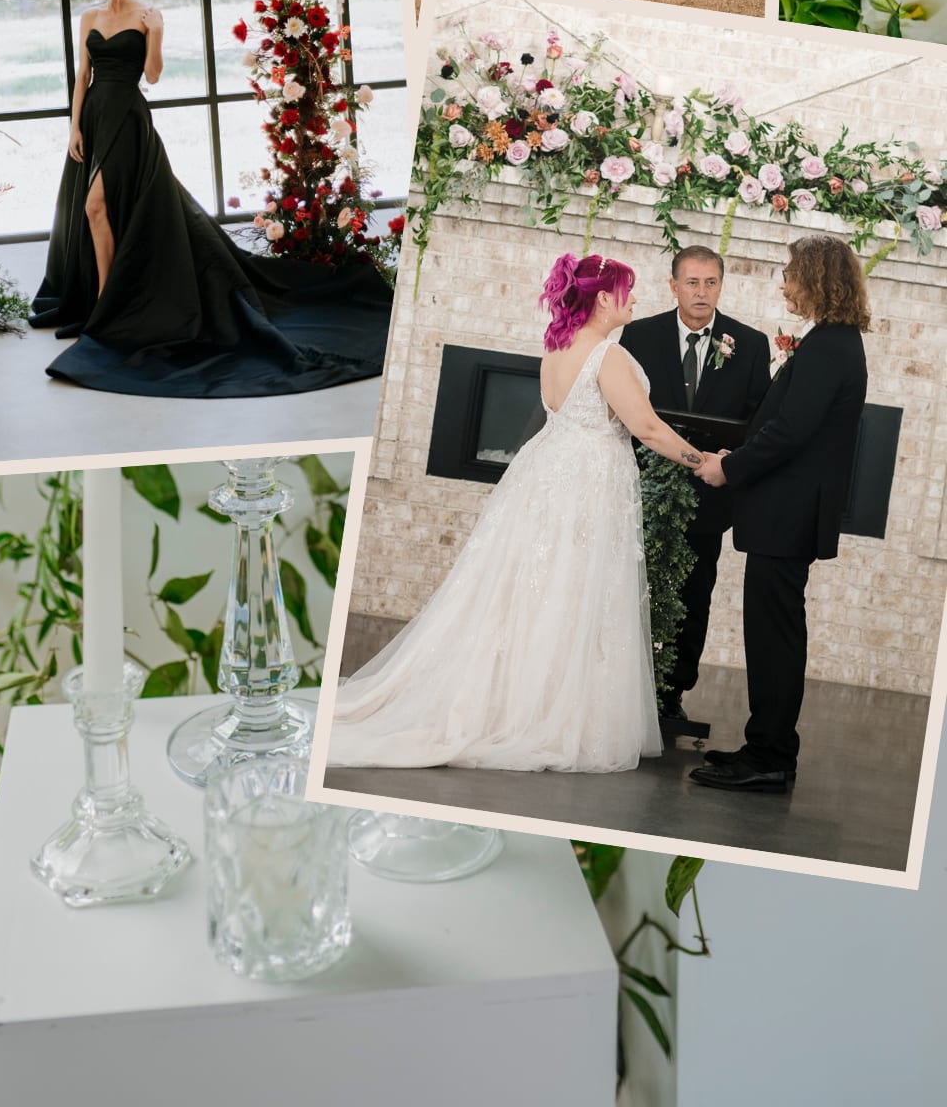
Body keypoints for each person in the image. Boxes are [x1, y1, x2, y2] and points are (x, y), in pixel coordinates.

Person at [327, 251, 707, 774]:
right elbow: (646, 428)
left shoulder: (558, 345)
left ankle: (516, 697)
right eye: (628, 290)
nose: (635, 299)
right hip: (584, 482)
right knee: (570, 587)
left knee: (533, 589)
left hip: (546, 472)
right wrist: (702, 460)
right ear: (603, 299)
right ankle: (543, 712)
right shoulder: (607, 356)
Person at [28, 0, 391, 398]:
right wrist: (73, 128)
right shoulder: (88, 18)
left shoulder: (147, 16)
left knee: (96, 205)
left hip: (128, 117)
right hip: (95, 118)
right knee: (99, 211)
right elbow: (82, 76)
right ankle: (104, 301)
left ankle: (105, 307)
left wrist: (156, 32)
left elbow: (154, 75)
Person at [688, 235, 870, 795]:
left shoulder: (830, 348)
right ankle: (766, 747)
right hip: (785, 512)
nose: (783, 282)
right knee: (774, 632)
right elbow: (783, 424)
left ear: (816, 278)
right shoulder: (831, 343)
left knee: (775, 636)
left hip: (787, 514)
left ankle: (769, 755)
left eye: (790, 273)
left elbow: (790, 433)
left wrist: (730, 468)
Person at [620, 245, 770, 727]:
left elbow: (756, 420)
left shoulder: (749, 343)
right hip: (642, 485)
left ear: (721, 287)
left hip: (710, 494)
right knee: (630, 584)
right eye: (692, 283)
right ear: (673, 285)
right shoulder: (638, 335)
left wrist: (727, 459)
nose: (701, 292)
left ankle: (672, 692)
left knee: (694, 591)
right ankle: (624, 682)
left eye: (710, 283)